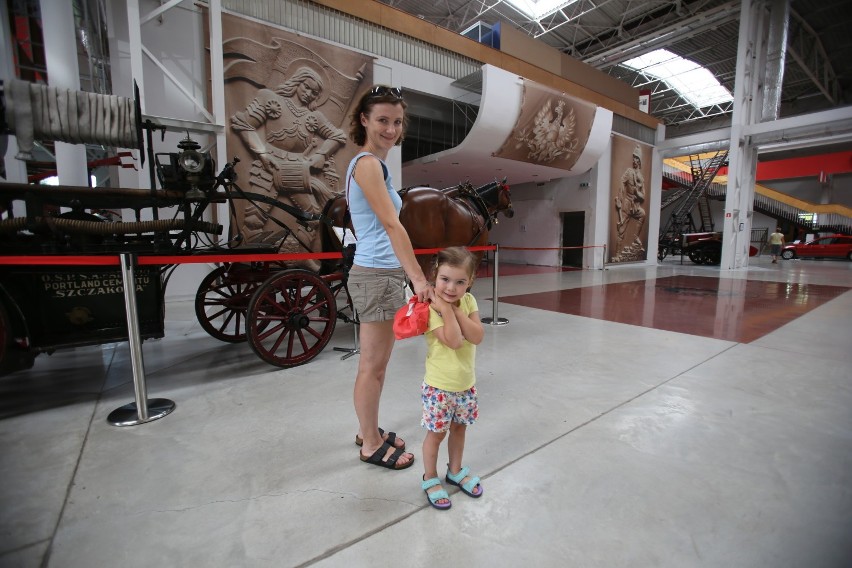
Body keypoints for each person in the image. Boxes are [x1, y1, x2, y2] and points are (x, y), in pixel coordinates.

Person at [347, 85, 433, 470]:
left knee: (375, 364)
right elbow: (390, 224)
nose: (391, 129)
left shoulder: (373, 166)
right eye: (382, 120)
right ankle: (369, 444)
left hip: (380, 274)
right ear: (364, 120)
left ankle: (369, 430)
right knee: (373, 366)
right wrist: (418, 278)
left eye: (397, 121)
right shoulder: (366, 164)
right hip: (376, 274)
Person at [230, 65, 347, 246]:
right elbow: (244, 124)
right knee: (253, 219)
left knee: (313, 218)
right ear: (297, 82)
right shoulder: (270, 98)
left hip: (297, 170)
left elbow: (338, 136)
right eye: (306, 87)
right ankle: (251, 261)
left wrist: (321, 155)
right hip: (268, 167)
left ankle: (299, 256)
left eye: (314, 92)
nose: (308, 93)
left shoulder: (314, 117)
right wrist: (262, 154)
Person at [419, 247, 485, 510]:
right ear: (435, 276)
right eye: (445, 279)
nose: (451, 287)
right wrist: (446, 311)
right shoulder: (429, 310)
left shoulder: (468, 302)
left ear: (470, 282)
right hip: (439, 387)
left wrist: (456, 311)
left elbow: (477, 336)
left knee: (459, 429)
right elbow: (456, 341)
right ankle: (430, 477)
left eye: (460, 282)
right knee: (436, 435)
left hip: (465, 385)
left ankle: (455, 471)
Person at [614, 145, 646, 254]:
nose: (634, 160)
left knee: (643, 214)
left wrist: (637, 193)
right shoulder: (629, 172)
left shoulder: (641, 178)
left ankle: (635, 237)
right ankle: (618, 253)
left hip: (636, 206)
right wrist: (620, 198)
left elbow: (643, 196)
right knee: (621, 229)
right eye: (633, 158)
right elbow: (622, 182)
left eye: (636, 158)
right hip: (627, 203)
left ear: (640, 161)